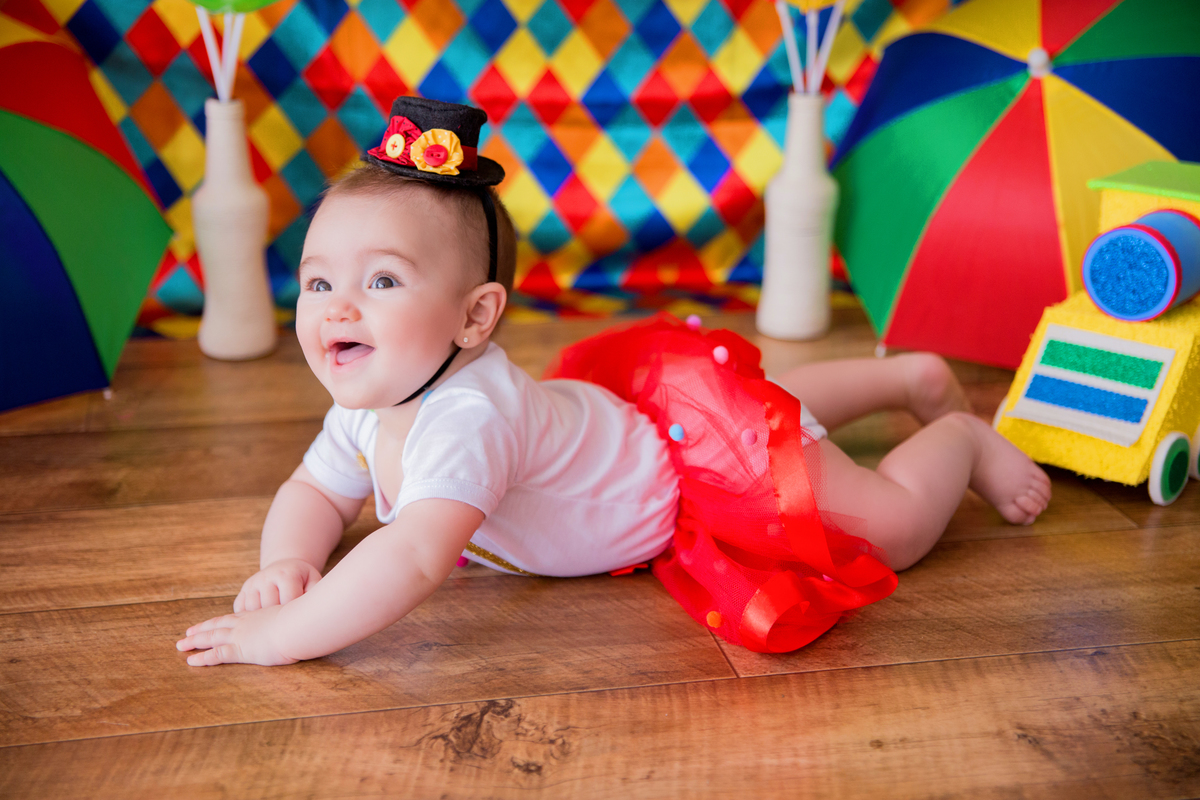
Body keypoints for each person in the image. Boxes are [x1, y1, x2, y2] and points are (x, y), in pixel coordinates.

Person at [177, 97, 1051, 666]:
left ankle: (958, 436)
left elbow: (408, 560)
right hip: (639, 412)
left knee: (876, 520)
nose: (336, 308)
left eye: (383, 282)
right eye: (320, 281)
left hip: (688, 478)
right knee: (765, 409)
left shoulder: (468, 416)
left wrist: (282, 635)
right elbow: (314, 488)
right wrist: (290, 560)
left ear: (476, 319)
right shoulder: (371, 398)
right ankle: (895, 374)